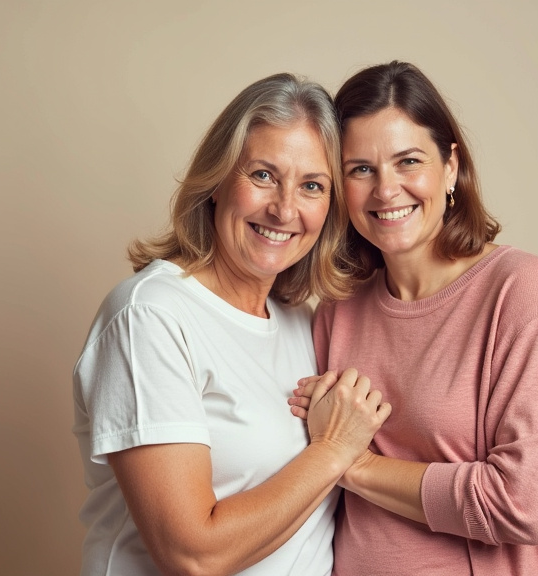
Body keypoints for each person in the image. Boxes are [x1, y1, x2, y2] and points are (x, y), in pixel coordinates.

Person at [72, 72, 391, 576]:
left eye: (312, 186)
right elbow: (193, 554)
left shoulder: (301, 324)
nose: (285, 208)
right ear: (218, 181)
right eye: (263, 175)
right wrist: (332, 450)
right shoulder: (150, 317)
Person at [290, 61, 538, 575]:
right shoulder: (336, 311)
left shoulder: (522, 292)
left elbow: (523, 502)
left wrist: (348, 461)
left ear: (450, 166)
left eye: (408, 161)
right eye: (361, 169)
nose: (386, 191)